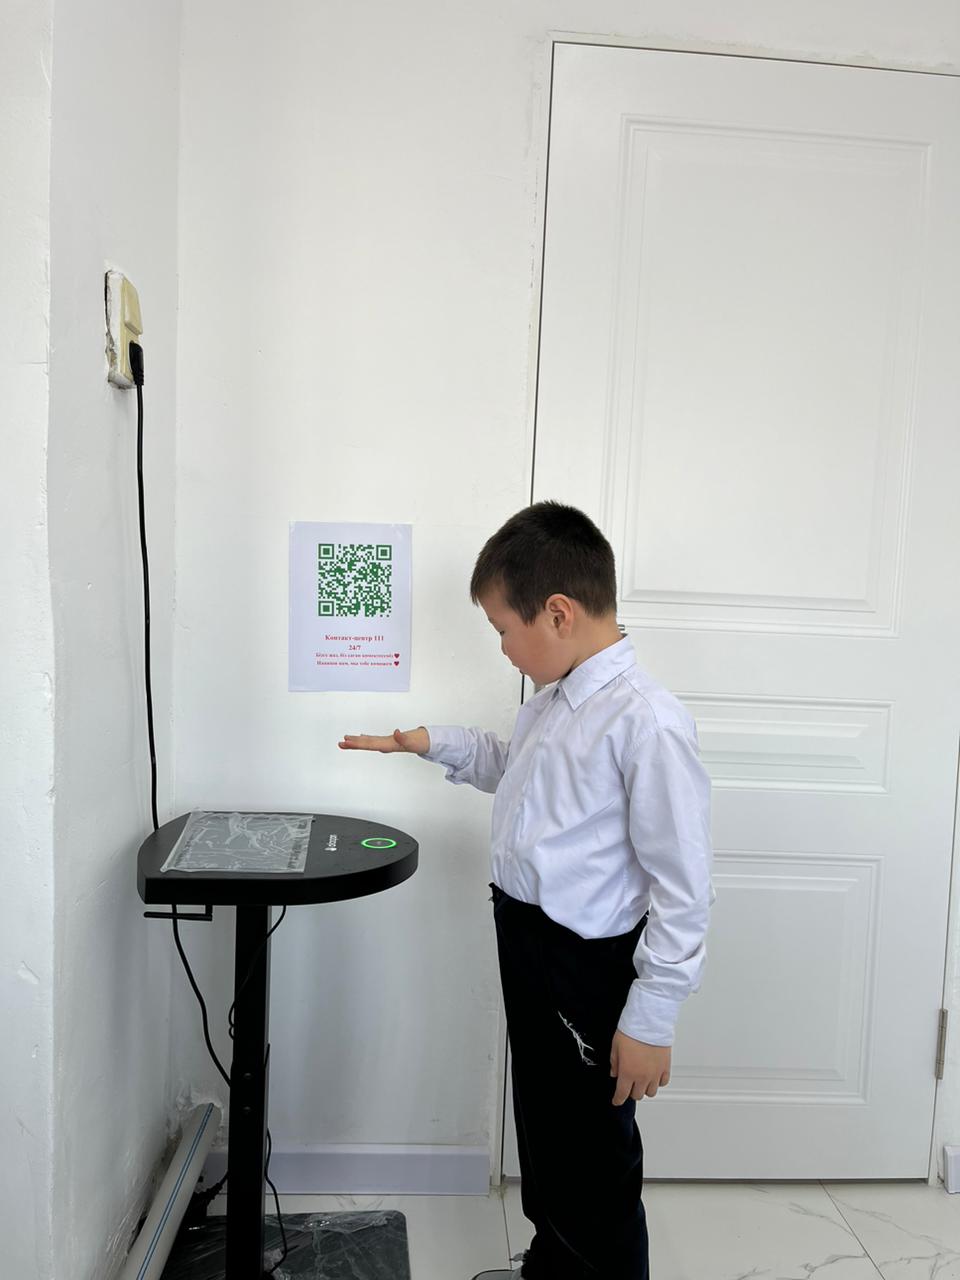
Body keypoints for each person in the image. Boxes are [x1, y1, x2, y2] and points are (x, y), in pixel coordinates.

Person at [338, 500, 715, 1280]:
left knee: (592, 1153)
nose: (505, 649)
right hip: (529, 942)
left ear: (558, 613)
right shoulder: (553, 701)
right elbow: (518, 770)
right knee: (544, 1130)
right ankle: (553, 1263)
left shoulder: (646, 723)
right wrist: (428, 743)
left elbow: (684, 888)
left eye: (504, 630)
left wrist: (651, 1017)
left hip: (585, 965)